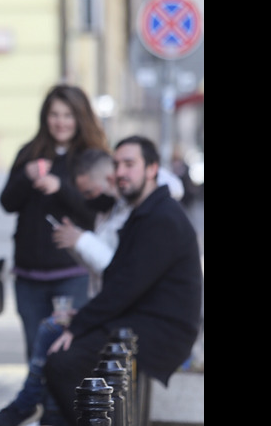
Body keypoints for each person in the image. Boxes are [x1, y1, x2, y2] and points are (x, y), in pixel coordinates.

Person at [43, 136, 203, 426]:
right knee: (58, 349)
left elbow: (124, 287)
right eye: (117, 164)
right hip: (139, 321)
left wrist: (79, 326)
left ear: (152, 168)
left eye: (130, 164)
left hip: (160, 333)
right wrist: (82, 321)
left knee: (63, 363)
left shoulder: (162, 217)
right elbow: (119, 278)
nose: (120, 172)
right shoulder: (143, 213)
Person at [0, 84, 110, 364]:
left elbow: (97, 212)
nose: (60, 122)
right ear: (45, 117)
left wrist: (60, 186)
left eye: (68, 115)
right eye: (54, 114)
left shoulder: (91, 158)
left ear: (81, 118)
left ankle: (63, 409)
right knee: (35, 355)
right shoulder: (29, 153)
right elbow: (7, 203)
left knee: (67, 353)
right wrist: (26, 176)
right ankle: (39, 408)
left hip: (73, 273)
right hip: (28, 276)